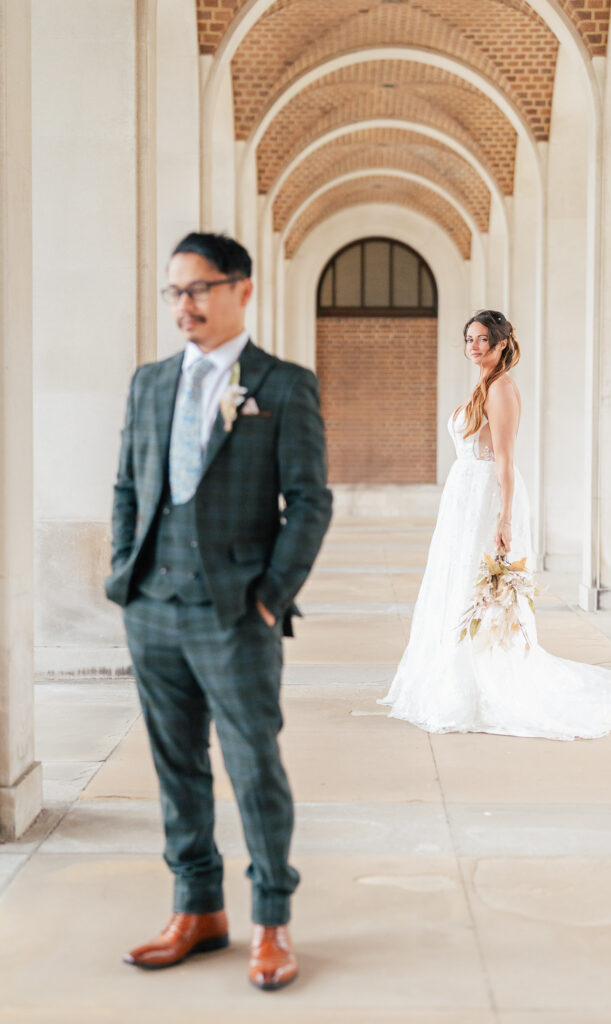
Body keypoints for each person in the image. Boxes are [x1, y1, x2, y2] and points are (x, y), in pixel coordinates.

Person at [105, 232, 332, 989]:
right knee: (176, 765)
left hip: (236, 612)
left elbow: (309, 503)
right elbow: (127, 486)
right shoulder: (148, 383)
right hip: (152, 607)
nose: (185, 305)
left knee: (252, 764)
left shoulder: (283, 385)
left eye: (199, 288)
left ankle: (271, 920)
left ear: (242, 290)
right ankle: (197, 908)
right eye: (175, 291)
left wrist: (269, 599)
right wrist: (126, 576)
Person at [379, 310, 611, 739]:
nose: (473, 346)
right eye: (469, 339)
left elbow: (506, 459)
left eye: (481, 339)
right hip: (464, 498)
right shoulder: (483, 385)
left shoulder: (502, 388)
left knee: (482, 588)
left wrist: (504, 518)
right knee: (457, 583)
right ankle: (454, 674)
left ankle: (488, 677)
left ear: (501, 343)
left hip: (488, 497)